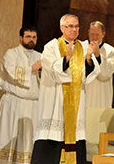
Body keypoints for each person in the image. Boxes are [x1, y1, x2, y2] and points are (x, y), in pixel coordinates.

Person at [31, 14, 101, 164]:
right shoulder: (51, 46)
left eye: (76, 26)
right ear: (62, 28)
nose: (74, 29)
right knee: (53, 138)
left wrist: (89, 57)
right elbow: (51, 71)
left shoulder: (83, 46)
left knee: (76, 137)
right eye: (70, 26)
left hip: (77, 103)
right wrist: (67, 58)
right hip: (56, 101)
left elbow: (90, 74)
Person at [0, 25, 41, 164]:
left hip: (33, 104)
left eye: (34, 37)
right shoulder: (11, 53)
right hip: (14, 103)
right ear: (21, 38)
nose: (31, 40)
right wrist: (32, 69)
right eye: (28, 37)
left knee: (28, 139)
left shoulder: (40, 56)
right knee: (9, 135)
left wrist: (41, 72)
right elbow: (10, 72)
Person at [81, 21, 114, 108]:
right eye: (91, 34)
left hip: (101, 94)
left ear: (103, 34)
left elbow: (105, 74)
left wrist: (98, 54)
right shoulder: (80, 47)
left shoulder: (110, 51)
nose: (94, 37)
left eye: (97, 35)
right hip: (84, 91)